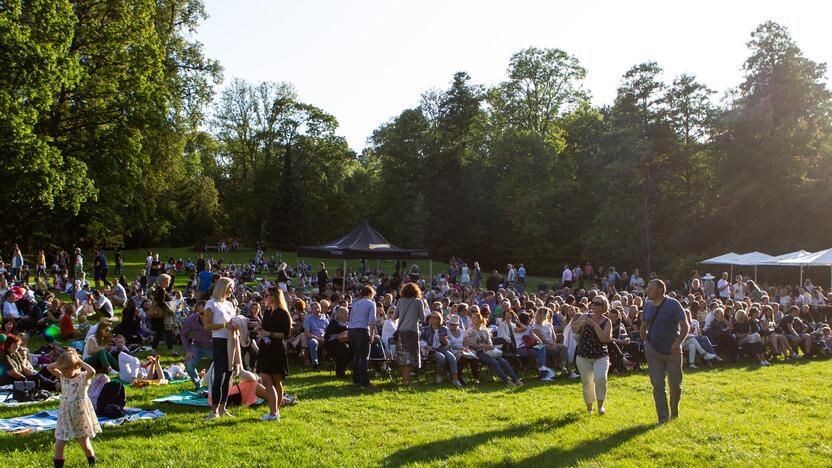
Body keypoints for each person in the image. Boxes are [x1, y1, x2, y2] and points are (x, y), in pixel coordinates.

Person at [640, 279, 689, 424]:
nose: (647, 290)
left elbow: (685, 326)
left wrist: (677, 343)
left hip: (672, 350)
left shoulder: (673, 304)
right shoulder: (648, 305)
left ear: (661, 290)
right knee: (657, 385)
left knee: (675, 385)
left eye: (651, 288)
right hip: (653, 350)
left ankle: (674, 413)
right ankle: (662, 417)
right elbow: (643, 325)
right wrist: (645, 343)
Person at [46, 349, 101, 467]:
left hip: (79, 415)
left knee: (84, 443)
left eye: (66, 371)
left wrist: (79, 361)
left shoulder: (83, 377)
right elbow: (49, 367)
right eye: (62, 371)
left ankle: (92, 463)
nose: (64, 373)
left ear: (77, 366)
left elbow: (92, 371)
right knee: (59, 442)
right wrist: (61, 363)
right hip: (65, 415)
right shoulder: (63, 376)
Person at [203, 277, 239, 420]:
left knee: (229, 375)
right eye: (230, 287)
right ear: (223, 287)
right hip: (219, 341)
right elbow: (207, 326)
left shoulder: (230, 304)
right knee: (219, 375)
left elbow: (234, 320)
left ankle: (223, 408)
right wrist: (225, 326)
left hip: (231, 340)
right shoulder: (211, 304)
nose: (232, 290)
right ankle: (214, 411)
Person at [255, 287, 292, 421]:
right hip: (265, 349)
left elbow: (286, 335)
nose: (264, 297)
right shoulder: (266, 312)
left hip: (277, 349)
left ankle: (275, 412)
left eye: (267, 295)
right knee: (266, 381)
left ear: (274, 296)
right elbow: (266, 329)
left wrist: (269, 333)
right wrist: (261, 330)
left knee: (277, 382)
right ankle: (273, 412)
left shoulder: (283, 313)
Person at [571, 295, 612, 415]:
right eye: (593, 302)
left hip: (600, 355)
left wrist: (594, 324)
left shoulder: (606, 321)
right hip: (583, 354)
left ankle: (600, 406)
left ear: (603, 306)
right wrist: (580, 325)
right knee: (587, 381)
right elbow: (573, 328)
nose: (593, 305)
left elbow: (605, 339)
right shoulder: (585, 315)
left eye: (597, 303)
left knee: (600, 378)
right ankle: (589, 408)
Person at [465, 311, 522, 386]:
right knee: (494, 363)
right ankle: (506, 381)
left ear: (480, 319)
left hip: (489, 351)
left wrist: (486, 346)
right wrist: (481, 346)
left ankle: (516, 379)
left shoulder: (485, 330)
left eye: (474, 318)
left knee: (504, 362)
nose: (472, 320)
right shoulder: (470, 331)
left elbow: (491, 344)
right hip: (479, 353)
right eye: (472, 318)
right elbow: (471, 344)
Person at [394, 283, 427, 387]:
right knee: (410, 358)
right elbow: (423, 318)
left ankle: (405, 380)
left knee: (403, 357)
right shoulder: (418, 302)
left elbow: (395, 316)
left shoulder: (400, 301)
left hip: (401, 332)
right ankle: (406, 382)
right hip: (412, 332)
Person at [420, 311, 461, 388]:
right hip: (430, 351)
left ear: (439, 319)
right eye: (431, 317)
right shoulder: (425, 329)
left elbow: (449, 341)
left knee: (452, 357)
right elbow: (421, 341)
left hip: (442, 348)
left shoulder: (444, 329)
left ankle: (455, 379)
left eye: (435, 317)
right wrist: (427, 346)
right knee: (441, 357)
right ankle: (440, 375)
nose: (432, 319)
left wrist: (445, 341)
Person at [181, 302, 213, 390]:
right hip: (197, 346)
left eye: (207, 313)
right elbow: (184, 335)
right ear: (198, 311)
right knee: (189, 364)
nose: (204, 316)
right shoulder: (191, 319)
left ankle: (218, 386)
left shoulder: (216, 318)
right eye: (202, 313)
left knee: (222, 364)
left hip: (213, 347)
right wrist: (188, 350)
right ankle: (198, 386)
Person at [152, 274, 177, 355]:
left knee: (159, 333)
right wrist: (170, 306)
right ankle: (172, 351)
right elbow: (160, 302)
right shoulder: (162, 290)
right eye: (168, 282)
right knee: (168, 333)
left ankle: (154, 350)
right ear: (163, 282)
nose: (169, 283)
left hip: (159, 316)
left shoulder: (158, 289)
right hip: (162, 316)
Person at [324, 307, 352, 378]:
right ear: (342, 314)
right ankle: (340, 374)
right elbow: (340, 328)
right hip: (331, 346)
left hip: (341, 343)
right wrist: (349, 329)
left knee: (352, 349)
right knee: (344, 350)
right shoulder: (334, 323)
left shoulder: (346, 323)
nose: (348, 315)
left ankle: (350, 372)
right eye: (347, 314)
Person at [303, 302, 328, 369]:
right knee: (313, 342)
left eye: (318, 307)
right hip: (313, 338)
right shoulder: (308, 318)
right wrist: (318, 338)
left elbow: (328, 331)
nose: (317, 309)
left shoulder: (325, 319)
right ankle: (315, 364)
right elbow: (307, 332)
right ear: (311, 309)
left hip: (324, 338)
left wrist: (325, 338)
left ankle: (326, 363)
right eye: (315, 308)